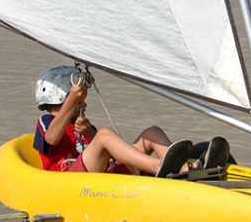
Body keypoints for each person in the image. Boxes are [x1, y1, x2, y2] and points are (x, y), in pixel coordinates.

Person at [33, 65, 230, 177]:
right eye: (80, 101)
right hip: (67, 180)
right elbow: (51, 139)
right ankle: (157, 167)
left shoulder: (81, 122)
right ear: (62, 98)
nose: (84, 105)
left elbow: (102, 151)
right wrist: (72, 102)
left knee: (151, 132)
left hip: (101, 170)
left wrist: (88, 132)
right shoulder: (47, 121)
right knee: (104, 135)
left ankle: (187, 169)